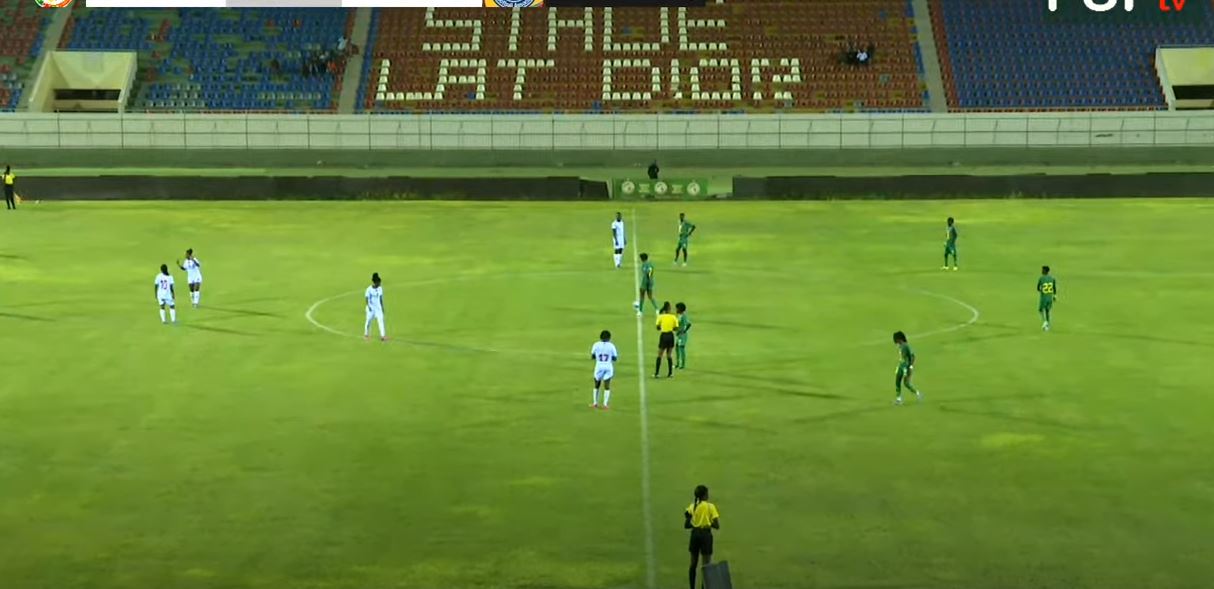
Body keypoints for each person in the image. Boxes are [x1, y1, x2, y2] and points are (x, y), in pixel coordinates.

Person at [684, 484, 720, 589]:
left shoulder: (693, 506)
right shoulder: (710, 506)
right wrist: (708, 522)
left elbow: (687, 522)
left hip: (695, 535)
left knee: (693, 564)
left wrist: (696, 524)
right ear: (705, 495)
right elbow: (717, 525)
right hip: (706, 536)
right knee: (706, 565)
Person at [590, 329, 619, 409]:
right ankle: (605, 404)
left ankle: (595, 403)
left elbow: (592, 356)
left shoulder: (596, 345)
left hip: (599, 366)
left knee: (596, 385)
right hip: (608, 367)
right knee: (607, 386)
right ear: (609, 338)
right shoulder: (611, 346)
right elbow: (615, 358)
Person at [893, 331, 922, 405]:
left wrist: (910, 366)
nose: (896, 341)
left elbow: (912, 356)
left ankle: (917, 394)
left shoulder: (905, 346)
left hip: (905, 367)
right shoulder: (901, 346)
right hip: (901, 366)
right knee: (898, 382)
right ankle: (899, 399)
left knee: (905, 383)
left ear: (899, 339)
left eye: (896, 339)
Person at [655, 302, 678, 378]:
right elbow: (676, 328)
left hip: (664, 335)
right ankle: (670, 373)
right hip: (670, 336)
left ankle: (657, 373)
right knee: (669, 355)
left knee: (659, 355)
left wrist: (662, 327)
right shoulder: (673, 317)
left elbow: (657, 327)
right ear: (669, 309)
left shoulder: (661, 317)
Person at [364, 272, 387, 341]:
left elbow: (380, 299)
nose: (380, 283)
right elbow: (366, 299)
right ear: (375, 282)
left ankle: (382, 336)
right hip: (371, 308)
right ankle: (366, 334)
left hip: (378, 309)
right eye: (379, 282)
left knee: (381, 321)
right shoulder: (369, 289)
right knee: (368, 321)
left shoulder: (380, 289)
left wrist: (382, 307)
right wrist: (369, 307)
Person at [1037, 265, 1058, 331]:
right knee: (1047, 311)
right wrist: (1054, 296)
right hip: (1050, 297)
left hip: (1044, 297)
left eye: (1042, 270)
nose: (1041, 271)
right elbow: (1054, 288)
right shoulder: (1052, 278)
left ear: (1045, 271)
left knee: (1040, 310)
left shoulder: (1041, 278)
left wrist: (1041, 290)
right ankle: (1047, 326)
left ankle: (1045, 321)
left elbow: (1038, 288)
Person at [675, 302, 692, 370]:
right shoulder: (679, 315)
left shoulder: (684, 316)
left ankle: (683, 365)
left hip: (682, 335)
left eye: (677, 308)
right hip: (678, 335)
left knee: (681, 348)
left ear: (680, 309)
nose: (676, 309)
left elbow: (688, 324)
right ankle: (677, 363)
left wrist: (683, 331)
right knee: (677, 348)